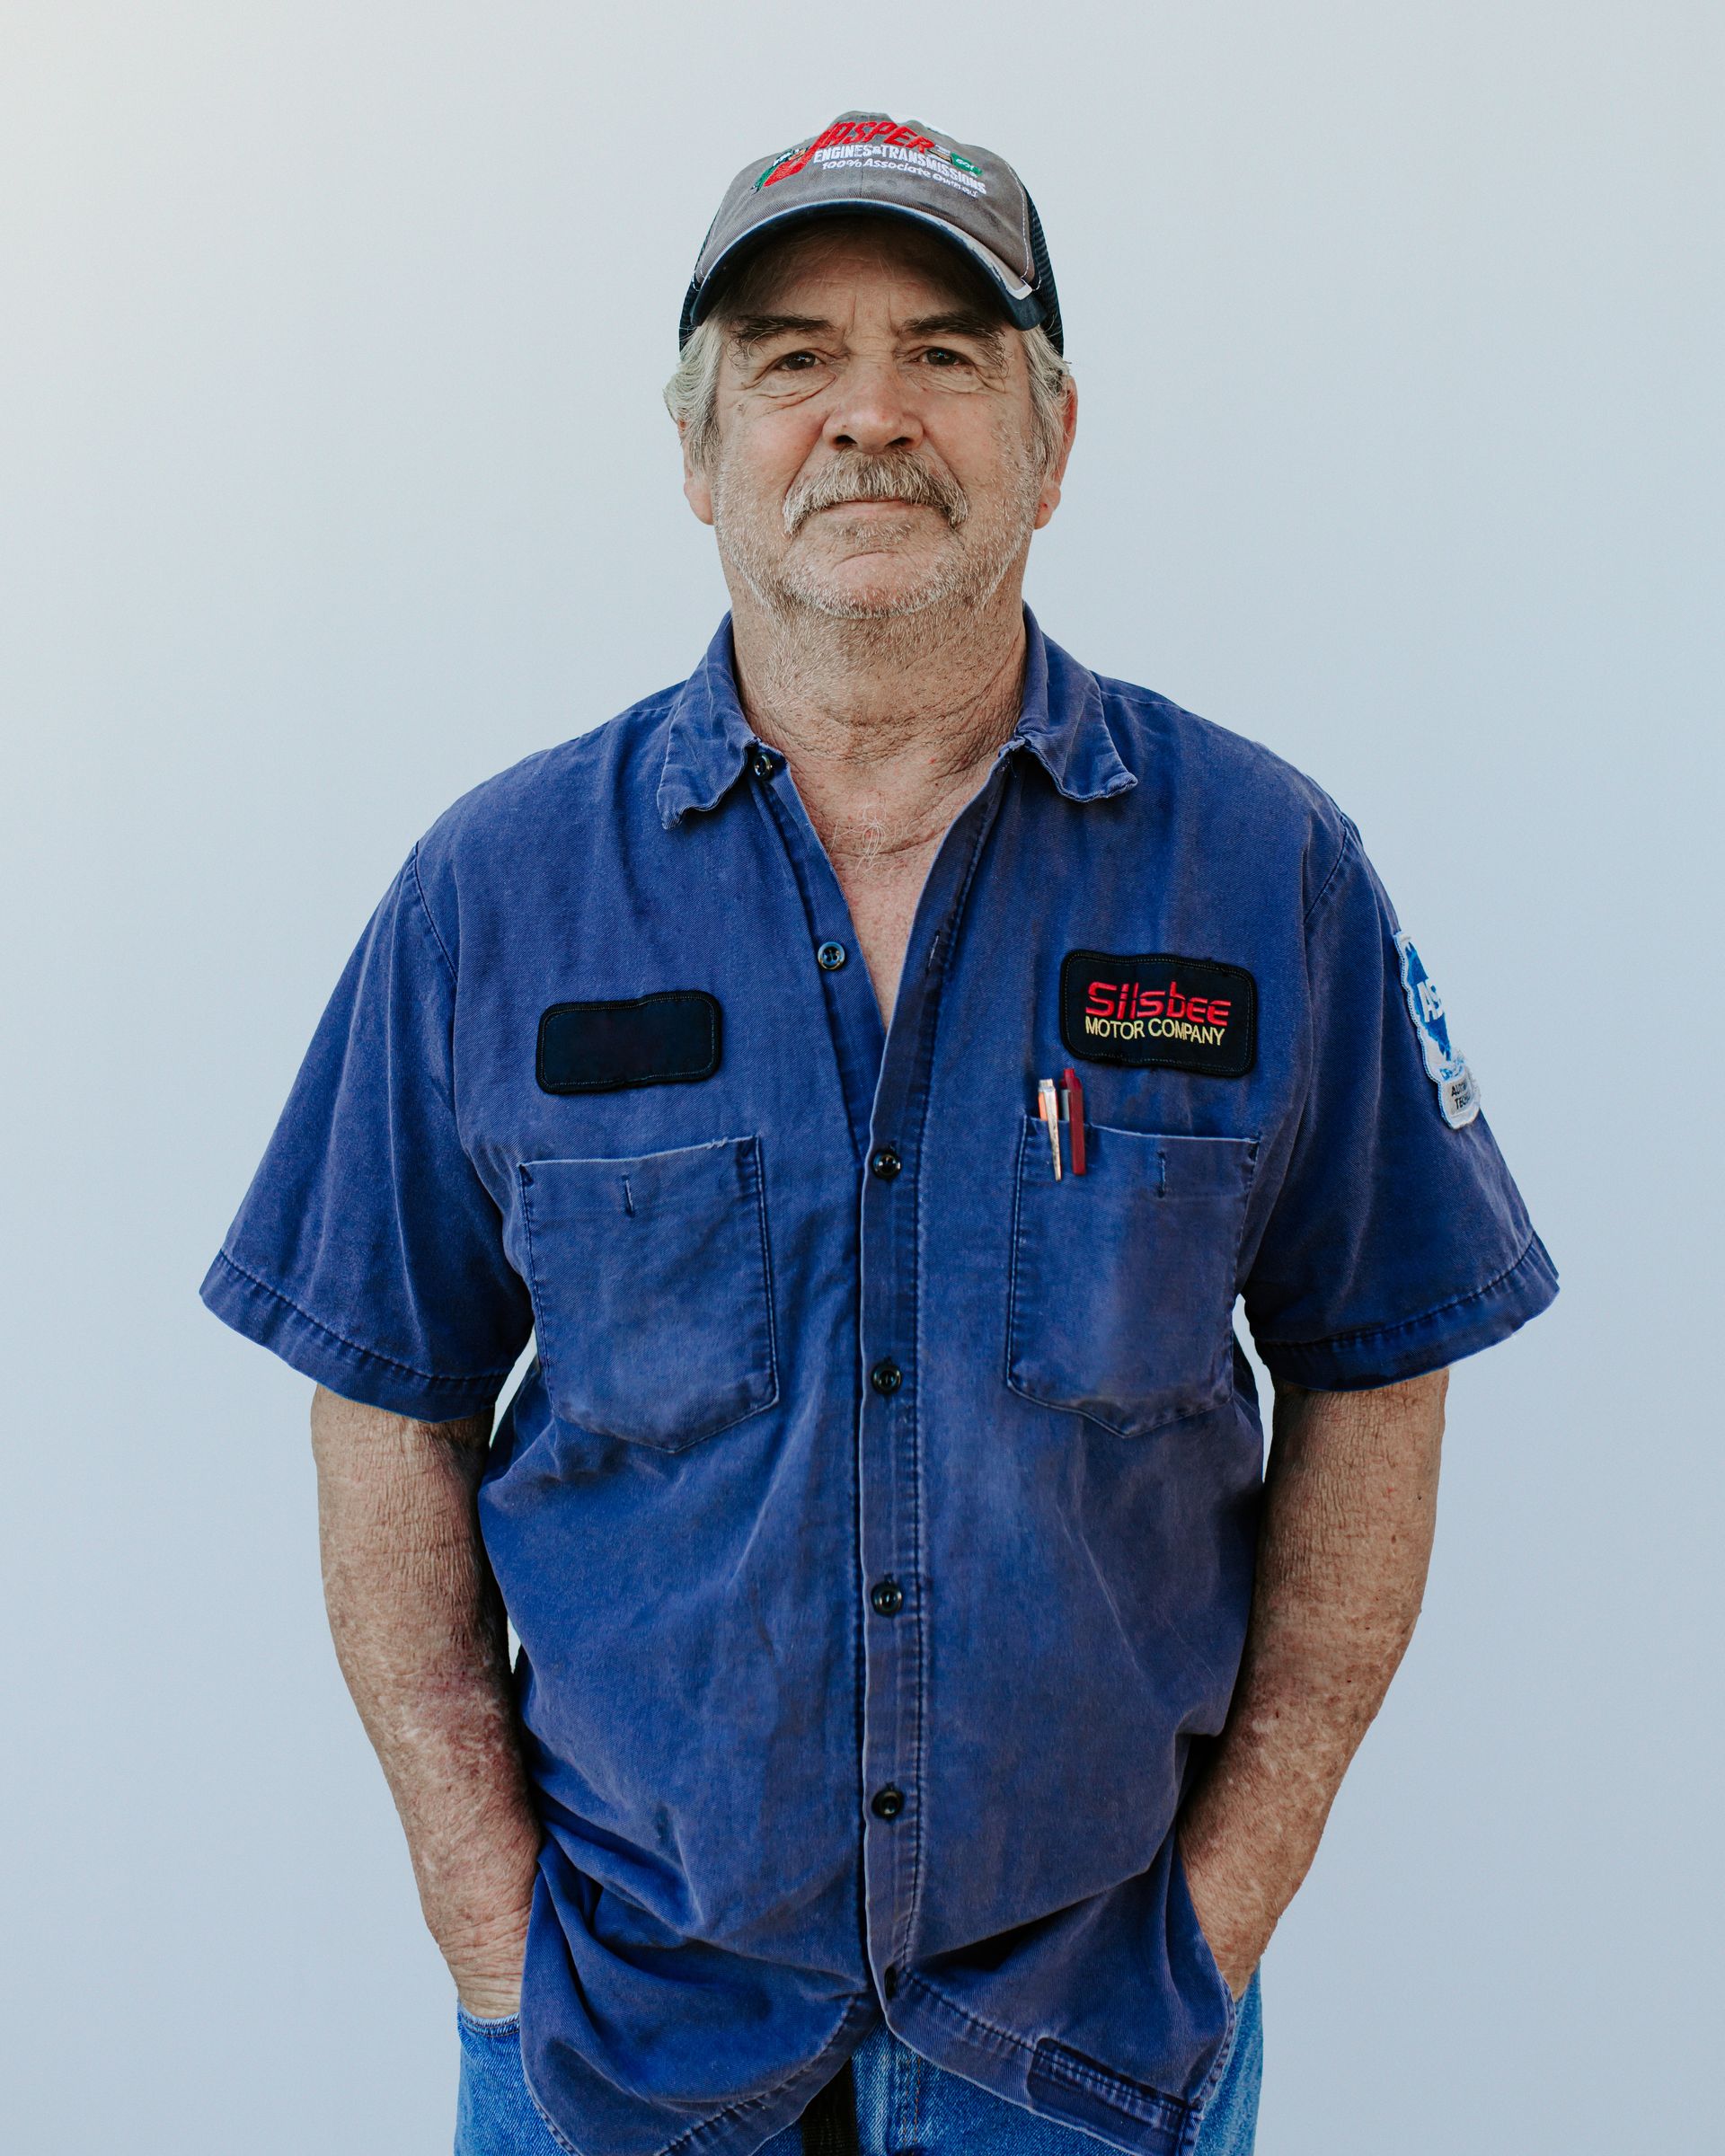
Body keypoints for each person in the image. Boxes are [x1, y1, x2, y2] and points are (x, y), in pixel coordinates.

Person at [201, 111, 1558, 2156]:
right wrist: (490, 1938)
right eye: (792, 360)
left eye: (943, 353)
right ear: (698, 450)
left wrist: (1221, 1916)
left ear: (1053, 435)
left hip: (1097, 2054)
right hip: (617, 2052)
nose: (868, 415)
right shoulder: (497, 899)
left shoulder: (1260, 871)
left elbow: (1383, 1360)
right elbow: (383, 1401)